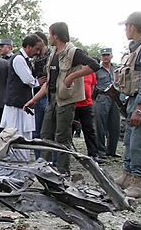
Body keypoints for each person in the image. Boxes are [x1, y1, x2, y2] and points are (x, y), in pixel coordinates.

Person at [24, 22, 99, 175]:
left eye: (50, 34)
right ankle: (44, 169)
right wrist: (35, 100)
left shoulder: (73, 52)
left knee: (62, 137)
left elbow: (94, 65)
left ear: (55, 35)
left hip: (66, 101)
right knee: (45, 135)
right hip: (52, 100)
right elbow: (49, 83)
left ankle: (63, 172)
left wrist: (72, 76)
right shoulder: (53, 54)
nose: (49, 37)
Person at [114, 12, 141, 198]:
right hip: (133, 99)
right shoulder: (136, 49)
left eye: (126, 26)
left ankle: (138, 184)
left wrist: (140, 107)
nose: (125, 30)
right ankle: (127, 175)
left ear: (133, 26)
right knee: (130, 141)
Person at [0, 34, 44, 161]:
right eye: (36, 48)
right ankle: (16, 163)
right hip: (16, 105)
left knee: (24, 134)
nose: (37, 52)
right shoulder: (18, 59)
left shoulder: (24, 60)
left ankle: (22, 162)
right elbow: (27, 79)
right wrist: (37, 82)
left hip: (22, 103)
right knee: (16, 134)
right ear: (28, 46)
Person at [93, 48, 120, 160]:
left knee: (115, 125)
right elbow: (93, 84)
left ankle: (111, 150)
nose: (105, 57)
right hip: (102, 97)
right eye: (103, 55)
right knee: (100, 125)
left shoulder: (116, 69)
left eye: (107, 55)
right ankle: (100, 151)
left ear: (111, 56)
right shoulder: (97, 69)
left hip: (115, 98)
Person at [73, 51, 98, 160]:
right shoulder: (74, 70)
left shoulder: (91, 72)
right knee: (70, 129)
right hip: (74, 105)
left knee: (89, 129)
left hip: (87, 104)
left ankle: (93, 154)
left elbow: (92, 87)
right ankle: (67, 153)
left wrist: (88, 98)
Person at [32, 31, 50, 160]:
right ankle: (39, 159)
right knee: (36, 131)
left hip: (49, 96)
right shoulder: (35, 58)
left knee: (49, 131)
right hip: (36, 95)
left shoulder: (53, 56)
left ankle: (52, 160)